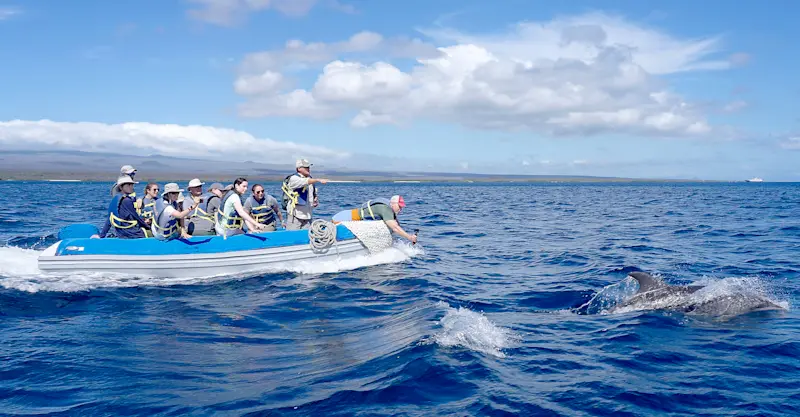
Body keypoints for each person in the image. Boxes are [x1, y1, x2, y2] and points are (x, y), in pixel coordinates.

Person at [332, 195, 417, 243]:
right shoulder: (386, 209)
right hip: (343, 219)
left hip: (345, 215)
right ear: (393, 204)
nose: (400, 209)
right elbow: (395, 228)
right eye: (400, 206)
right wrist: (409, 237)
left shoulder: (388, 206)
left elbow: (396, 224)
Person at [282, 158, 329, 230]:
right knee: (293, 236)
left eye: (308, 167)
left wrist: (315, 199)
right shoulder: (294, 179)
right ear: (299, 168)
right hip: (295, 216)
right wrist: (318, 180)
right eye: (306, 167)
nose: (308, 169)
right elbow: (304, 182)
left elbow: (312, 192)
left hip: (307, 216)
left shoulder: (310, 179)